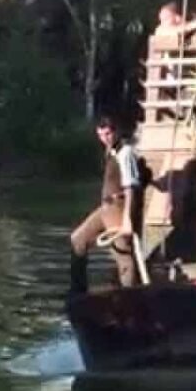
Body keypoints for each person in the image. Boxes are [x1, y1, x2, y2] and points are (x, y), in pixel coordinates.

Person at [69, 116, 145, 294]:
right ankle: (78, 291)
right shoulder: (109, 152)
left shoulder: (125, 153)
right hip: (105, 208)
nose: (106, 138)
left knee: (123, 255)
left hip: (118, 208)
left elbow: (130, 186)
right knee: (77, 240)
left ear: (116, 131)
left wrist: (127, 219)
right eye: (101, 135)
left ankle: (129, 296)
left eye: (108, 134)